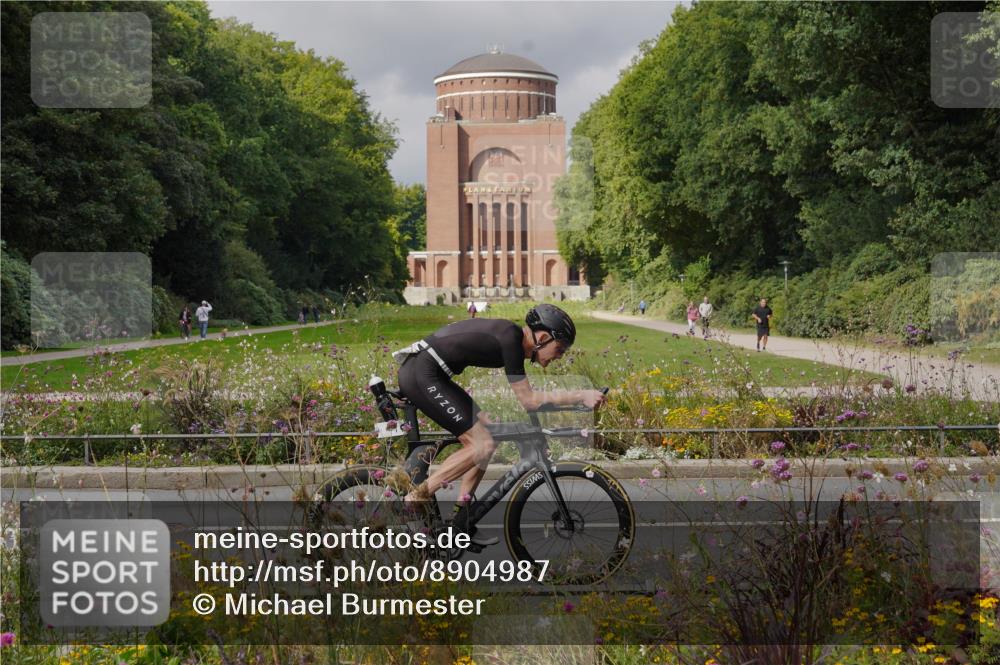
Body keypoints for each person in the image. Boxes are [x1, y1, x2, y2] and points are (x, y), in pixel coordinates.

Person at [394, 304, 606, 545]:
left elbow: (529, 401)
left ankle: (461, 519)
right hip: (423, 373)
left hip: (432, 373)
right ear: (543, 338)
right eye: (560, 349)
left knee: (488, 435)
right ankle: (415, 499)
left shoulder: (512, 339)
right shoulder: (510, 340)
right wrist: (580, 395)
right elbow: (529, 400)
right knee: (480, 445)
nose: (560, 356)